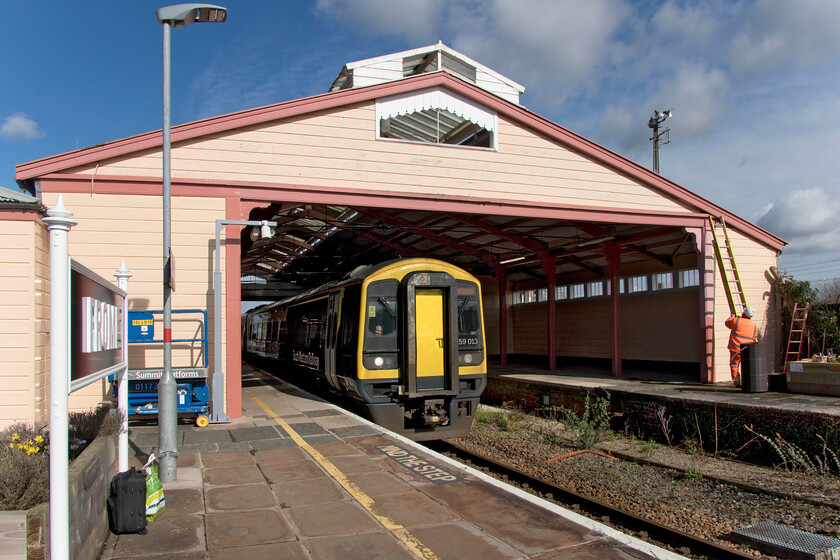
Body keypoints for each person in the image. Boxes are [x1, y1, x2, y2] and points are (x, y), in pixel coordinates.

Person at [725, 307, 758, 387]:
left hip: (735, 349)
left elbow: (727, 323)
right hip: (747, 349)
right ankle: (747, 381)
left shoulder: (736, 321)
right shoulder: (753, 325)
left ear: (744, 313)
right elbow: (755, 339)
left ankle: (736, 381)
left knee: (734, 364)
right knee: (747, 365)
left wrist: (732, 317)